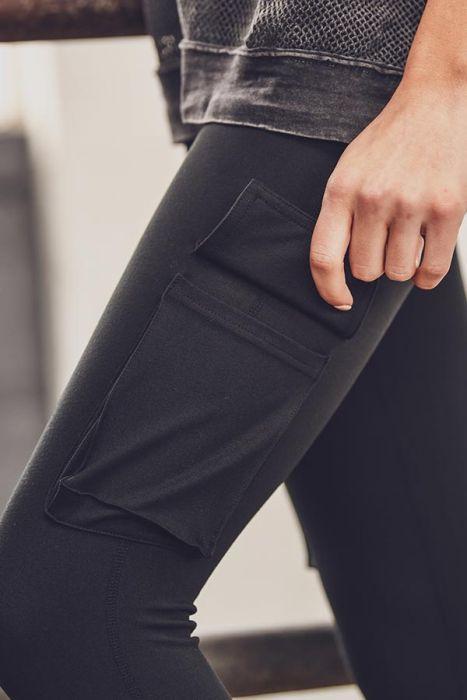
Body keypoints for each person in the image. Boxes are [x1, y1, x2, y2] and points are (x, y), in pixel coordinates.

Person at [0, 1, 466, 698]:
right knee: (421, 610)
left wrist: (446, 86)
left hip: (339, 74)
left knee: (70, 609)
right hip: (276, 70)